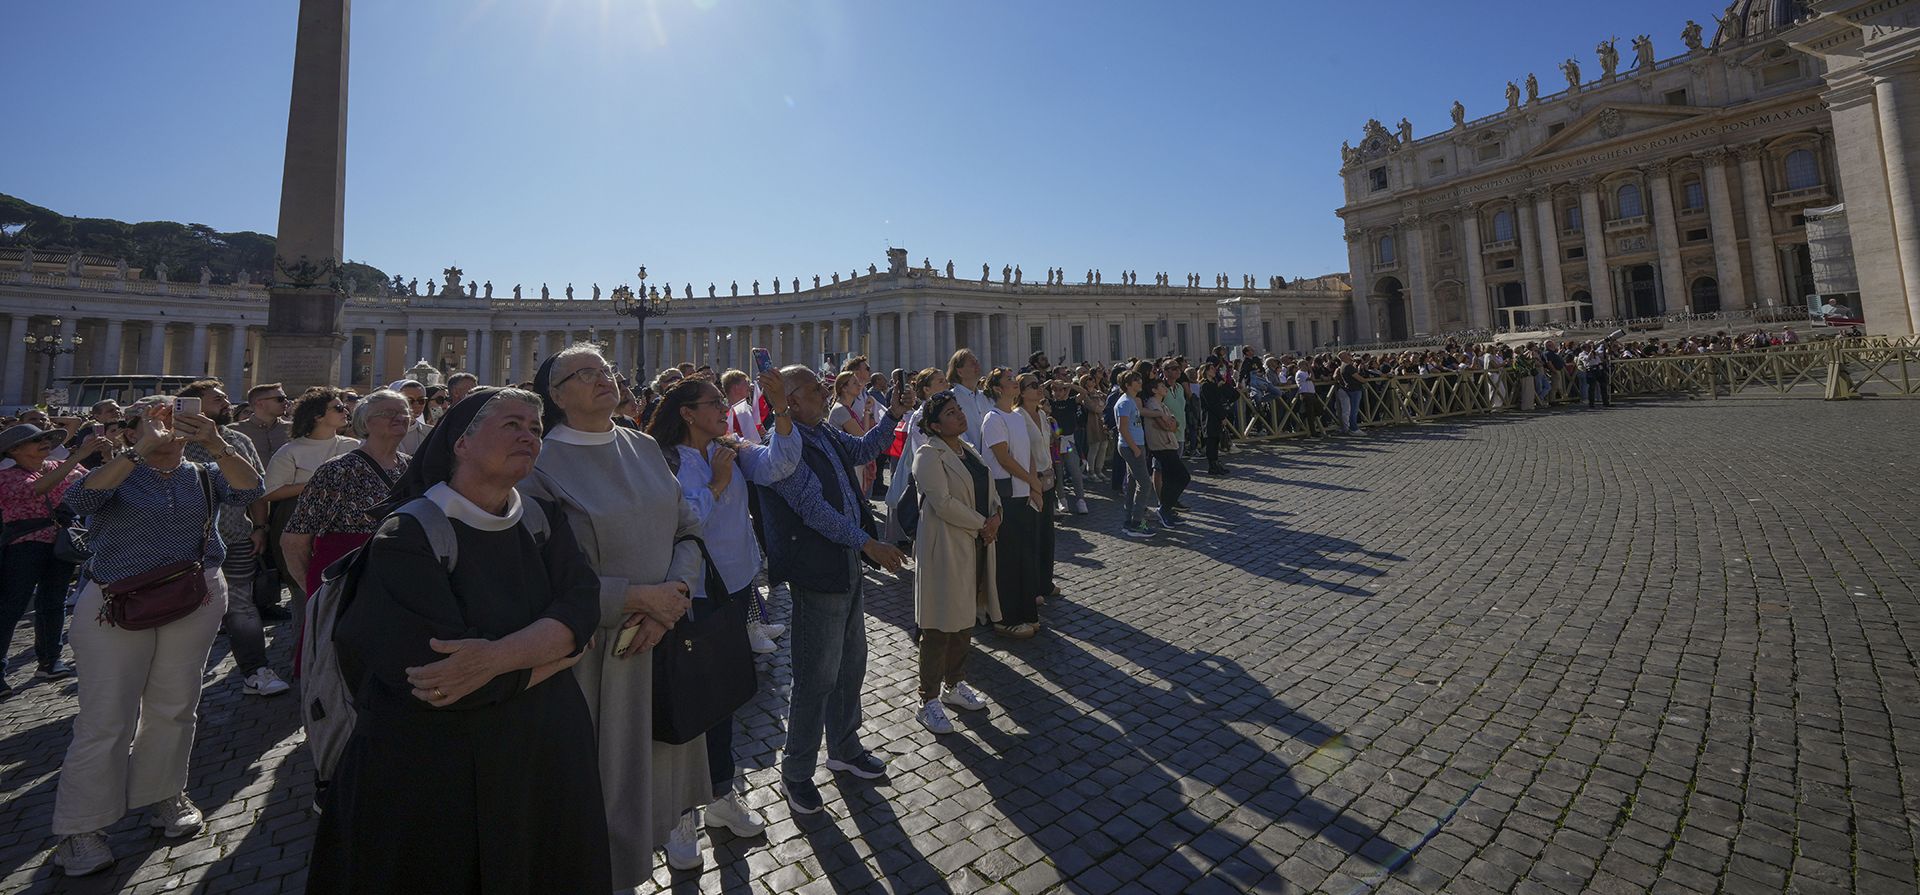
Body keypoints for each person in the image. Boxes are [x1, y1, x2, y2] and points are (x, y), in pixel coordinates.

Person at [306, 388, 610, 895]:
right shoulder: (404, 535)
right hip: (436, 777)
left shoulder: (543, 517)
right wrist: (558, 654)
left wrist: (494, 658)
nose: (529, 435)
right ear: (461, 444)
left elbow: (583, 607)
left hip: (545, 758)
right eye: (512, 424)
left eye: (535, 428)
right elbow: (438, 681)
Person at [51, 398, 262, 877]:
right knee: (106, 717)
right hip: (114, 602)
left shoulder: (204, 472)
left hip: (195, 594)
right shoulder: (119, 470)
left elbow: (252, 488)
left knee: (175, 704)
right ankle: (81, 828)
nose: (167, 427)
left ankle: (164, 794)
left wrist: (215, 441)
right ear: (129, 430)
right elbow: (78, 501)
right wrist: (138, 451)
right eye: (153, 419)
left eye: (174, 417)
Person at [523, 347, 710, 885]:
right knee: (604, 797)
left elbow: (687, 525)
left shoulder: (643, 443)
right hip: (599, 653)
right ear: (556, 395)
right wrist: (634, 600)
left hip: (662, 636)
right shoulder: (537, 463)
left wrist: (672, 596)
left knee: (661, 779)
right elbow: (539, 573)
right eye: (585, 374)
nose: (604, 379)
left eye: (607, 371)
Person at [646, 368, 802, 869]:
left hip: (735, 588)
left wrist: (779, 410)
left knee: (724, 701)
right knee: (688, 703)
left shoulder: (732, 446)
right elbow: (678, 520)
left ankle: (718, 794)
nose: (722, 409)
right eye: (712, 402)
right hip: (692, 595)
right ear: (687, 413)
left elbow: (780, 465)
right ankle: (678, 813)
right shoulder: (666, 459)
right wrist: (716, 482)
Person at [759, 365, 910, 815]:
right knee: (815, 675)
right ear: (789, 400)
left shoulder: (822, 431)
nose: (824, 392)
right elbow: (813, 510)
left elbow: (865, 449)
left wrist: (892, 417)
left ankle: (845, 747)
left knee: (851, 663)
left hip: (847, 562)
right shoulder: (783, 449)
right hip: (818, 568)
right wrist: (869, 542)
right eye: (813, 388)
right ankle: (797, 771)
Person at [176, 380, 287, 698]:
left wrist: (260, 528)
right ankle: (175, 680)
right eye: (216, 399)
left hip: (235, 535)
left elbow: (257, 487)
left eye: (226, 397)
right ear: (193, 406)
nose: (226, 402)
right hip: (180, 542)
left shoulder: (237, 438)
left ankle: (256, 671)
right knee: (182, 610)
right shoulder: (172, 440)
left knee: (242, 606)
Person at [909, 391, 1000, 735]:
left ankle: (955, 683)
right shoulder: (928, 455)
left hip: (974, 543)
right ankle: (928, 699)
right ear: (934, 425)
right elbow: (943, 503)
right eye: (950, 412)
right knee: (937, 626)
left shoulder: (970, 451)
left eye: (959, 409)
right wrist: (983, 523)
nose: (959, 415)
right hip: (945, 548)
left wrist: (997, 516)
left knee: (963, 621)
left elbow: (988, 489)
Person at [0, 423, 104, 694]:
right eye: (36, 441)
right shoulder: (7, 476)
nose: (45, 444)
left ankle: (49, 660)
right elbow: (37, 489)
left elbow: (92, 481)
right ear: (14, 450)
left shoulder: (57, 466)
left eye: (46, 439)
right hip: (24, 546)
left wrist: (110, 454)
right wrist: (77, 457)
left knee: (53, 602)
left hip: (59, 544)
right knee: (12, 606)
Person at [281, 390, 412, 599]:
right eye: (388, 412)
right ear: (366, 423)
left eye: (404, 412)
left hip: (398, 580)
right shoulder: (338, 470)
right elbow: (294, 541)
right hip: (347, 585)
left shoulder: (410, 466)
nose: (400, 417)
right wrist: (317, 594)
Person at [263, 388, 359, 643]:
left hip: (343, 528)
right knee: (304, 594)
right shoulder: (290, 451)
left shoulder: (353, 446)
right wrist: (318, 481)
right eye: (338, 408)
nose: (345, 411)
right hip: (300, 526)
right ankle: (304, 656)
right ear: (317, 416)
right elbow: (271, 491)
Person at [980, 369, 1045, 637]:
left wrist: (1033, 485)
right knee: (1007, 560)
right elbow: (1003, 458)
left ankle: (1027, 611)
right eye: (1008, 379)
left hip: (1023, 492)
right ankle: (1006, 618)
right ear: (997, 389)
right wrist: (1031, 481)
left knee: (1025, 556)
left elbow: (1027, 451)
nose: (1013, 381)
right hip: (1005, 495)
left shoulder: (1016, 417)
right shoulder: (993, 418)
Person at [231, 383, 293, 621]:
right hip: (249, 500)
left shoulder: (294, 429)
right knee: (255, 548)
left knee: (277, 547)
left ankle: (270, 599)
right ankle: (250, 600)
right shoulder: (235, 431)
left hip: (283, 497)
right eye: (280, 399)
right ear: (260, 403)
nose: (285, 402)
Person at [1141, 379, 1190, 528]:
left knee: (1171, 479)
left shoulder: (1162, 405)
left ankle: (1166, 509)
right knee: (1183, 477)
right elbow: (1166, 425)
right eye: (1162, 386)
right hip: (1162, 446)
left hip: (1169, 444)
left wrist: (1169, 422)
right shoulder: (1152, 404)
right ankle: (1164, 509)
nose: (1165, 388)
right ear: (1154, 390)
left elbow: (1173, 425)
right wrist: (1168, 422)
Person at [1047, 379, 1090, 514]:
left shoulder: (1071, 402)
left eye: (1061, 390)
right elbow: (1041, 391)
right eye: (1056, 390)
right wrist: (1049, 382)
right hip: (1055, 442)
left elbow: (1084, 392)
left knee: (1075, 471)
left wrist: (1069, 385)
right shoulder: (1051, 404)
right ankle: (1062, 499)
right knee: (1058, 473)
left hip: (1069, 442)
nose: (1059, 393)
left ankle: (1081, 500)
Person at [1198, 363, 1239, 475]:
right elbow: (1212, 403)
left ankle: (1216, 464)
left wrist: (1224, 385)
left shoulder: (1216, 384)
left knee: (1216, 440)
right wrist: (1222, 417)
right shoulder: (1205, 385)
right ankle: (1212, 465)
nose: (1214, 370)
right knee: (1211, 441)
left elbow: (1234, 395)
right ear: (1205, 371)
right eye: (1211, 369)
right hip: (1210, 417)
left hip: (1217, 416)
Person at [945, 349, 988, 449]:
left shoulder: (986, 397)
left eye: (977, 362)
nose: (977, 365)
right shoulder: (951, 398)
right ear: (960, 371)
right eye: (972, 363)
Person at [391, 380, 432, 454]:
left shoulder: (430, 433)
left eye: (421, 400)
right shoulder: (380, 433)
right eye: (409, 401)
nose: (416, 405)